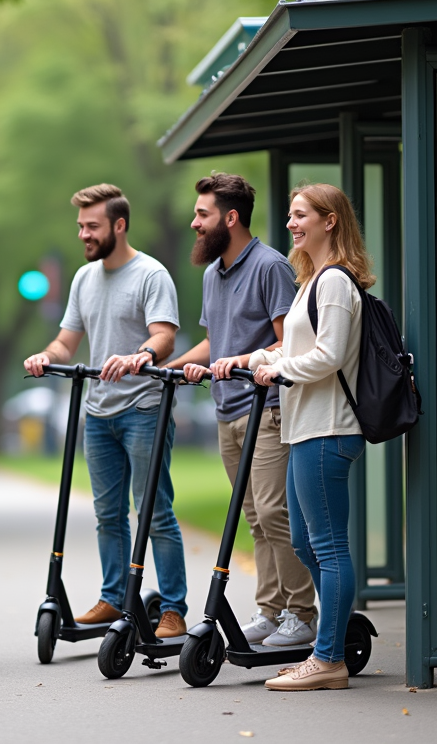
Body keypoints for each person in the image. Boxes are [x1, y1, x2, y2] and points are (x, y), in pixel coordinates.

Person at [23, 183, 188, 638]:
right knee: (107, 514)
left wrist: (141, 356)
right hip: (97, 412)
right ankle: (114, 599)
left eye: (92, 226)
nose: (83, 235)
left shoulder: (151, 274)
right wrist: (46, 356)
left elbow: (164, 337)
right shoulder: (83, 278)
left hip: (143, 407)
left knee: (154, 511)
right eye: (80, 226)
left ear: (119, 225)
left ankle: (173, 608)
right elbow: (66, 340)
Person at [169, 173, 317, 647]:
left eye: (202, 214)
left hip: (268, 408)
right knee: (253, 516)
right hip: (227, 411)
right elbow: (214, 343)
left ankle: (302, 613)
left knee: (275, 512)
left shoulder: (270, 266)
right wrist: (172, 367)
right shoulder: (214, 273)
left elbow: (286, 340)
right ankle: (271, 611)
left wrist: (239, 361)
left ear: (230, 218)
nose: (195, 223)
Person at [250, 183, 372, 691]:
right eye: (291, 215)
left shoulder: (336, 284)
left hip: (329, 428)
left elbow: (330, 356)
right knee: (304, 540)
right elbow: (303, 349)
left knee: (327, 546)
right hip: (306, 427)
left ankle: (327, 660)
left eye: (301, 215)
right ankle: (333, 646)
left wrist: (280, 372)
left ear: (331, 221)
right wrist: (264, 358)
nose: (291, 224)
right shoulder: (310, 281)